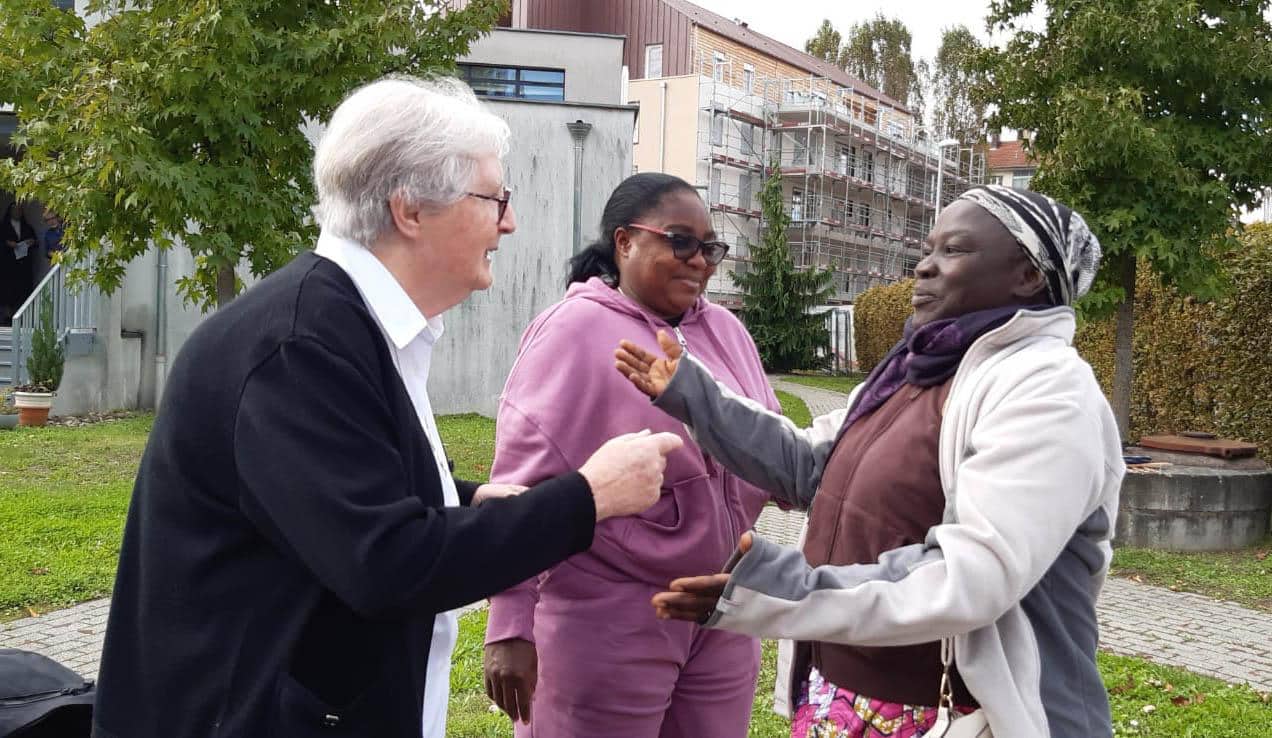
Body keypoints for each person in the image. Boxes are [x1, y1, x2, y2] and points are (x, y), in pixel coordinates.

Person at [90, 76, 683, 738]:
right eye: (495, 198)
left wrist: (465, 500)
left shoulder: (345, 323)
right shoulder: (298, 346)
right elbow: (390, 564)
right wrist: (588, 496)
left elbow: (340, 489)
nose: (509, 221)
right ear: (410, 211)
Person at [617, 185, 1124, 738]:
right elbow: (810, 465)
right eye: (926, 251)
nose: (925, 268)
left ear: (1027, 275)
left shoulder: (1049, 390)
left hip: (962, 716)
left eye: (953, 250)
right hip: (848, 698)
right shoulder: (918, 369)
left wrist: (786, 587)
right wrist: (695, 396)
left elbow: (973, 573)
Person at [482, 173, 780, 737]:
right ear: (624, 242)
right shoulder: (572, 331)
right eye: (680, 241)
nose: (700, 261)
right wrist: (509, 620)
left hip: (720, 610)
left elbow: (773, 446)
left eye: (710, 247)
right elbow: (521, 482)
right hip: (608, 616)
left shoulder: (726, 331)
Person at [0, 200, 37, 324]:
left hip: (23, 266)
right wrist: (7, 243)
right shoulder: (3, 227)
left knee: (23, 291)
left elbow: (35, 241)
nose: (18, 212)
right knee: (8, 292)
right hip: (8, 265)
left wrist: (31, 242)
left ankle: (22, 318)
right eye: (15, 209)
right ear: (10, 211)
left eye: (20, 210)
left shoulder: (27, 227)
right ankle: (7, 318)